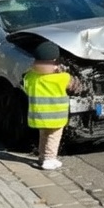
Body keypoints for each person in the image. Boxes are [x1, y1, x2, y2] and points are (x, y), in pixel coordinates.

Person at [21, 41, 81, 170]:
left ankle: (42, 157)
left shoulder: (30, 77)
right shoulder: (63, 78)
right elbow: (75, 87)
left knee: (43, 136)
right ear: (54, 64)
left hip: (38, 116)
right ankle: (49, 159)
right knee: (53, 137)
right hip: (55, 117)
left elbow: (25, 86)